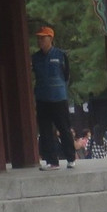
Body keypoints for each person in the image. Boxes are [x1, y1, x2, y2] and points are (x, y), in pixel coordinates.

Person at [31, 25, 76, 170]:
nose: (40, 41)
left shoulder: (60, 55)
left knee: (64, 128)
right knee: (45, 131)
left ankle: (70, 158)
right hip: (42, 98)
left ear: (50, 38)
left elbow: (67, 75)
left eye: (43, 38)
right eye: (38, 38)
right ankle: (52, 161)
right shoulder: (35, 57)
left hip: (59, 98)